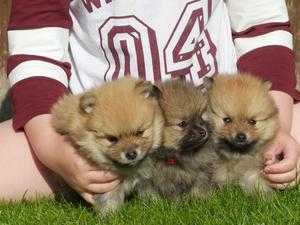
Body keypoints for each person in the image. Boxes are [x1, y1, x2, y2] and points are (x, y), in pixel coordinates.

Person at [0, 0, 299, 204]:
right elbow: (36, 55)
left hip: (216, 124)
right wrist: (55, 150)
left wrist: (276, 124)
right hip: (103, 140)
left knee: (288, 137)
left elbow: (262, 27)